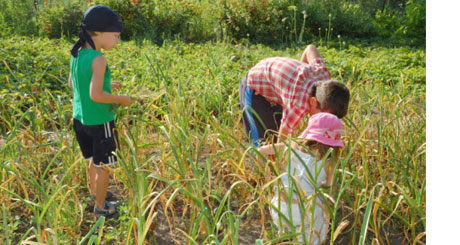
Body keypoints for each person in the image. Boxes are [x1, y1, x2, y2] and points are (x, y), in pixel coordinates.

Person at [68, 5, 134, 217]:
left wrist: (107, 85)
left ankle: (95, 195)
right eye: (115, 35)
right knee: (103, 167)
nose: (117, 40)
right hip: (100, 121)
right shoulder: (99, 59)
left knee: (92, 162)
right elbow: (96, 96)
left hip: (80, 119)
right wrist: (120, 99)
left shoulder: (77, 54)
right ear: (98, 32)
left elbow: (73, 83)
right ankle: (101, 208)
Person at [257, 112, 345, 244]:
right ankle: (306, 239)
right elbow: (330, 196)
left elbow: (260, 151)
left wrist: (269, 180)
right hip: (306, 213)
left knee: (286, 217)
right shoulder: (329, 161)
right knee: (322, 213)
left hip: (280, 208)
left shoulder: (290, 146)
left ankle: (284, 231)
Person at [239, 44, 349, 146]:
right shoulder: (298, 104)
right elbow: (281, 143)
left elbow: (310, 48)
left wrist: (294, 83)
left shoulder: (324, 77)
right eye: (321, 116)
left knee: (275, 131)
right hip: (254, 87)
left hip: (276, 88)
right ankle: (258, 166)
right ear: (313, 101)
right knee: (263, 142)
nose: (322, 120)